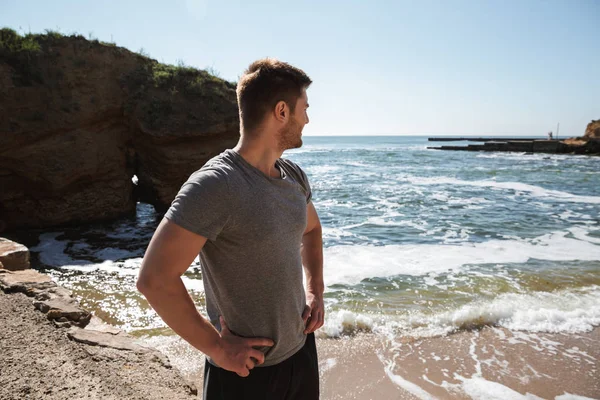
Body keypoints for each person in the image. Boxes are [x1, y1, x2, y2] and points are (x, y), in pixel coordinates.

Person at [136, 58, 324, 400]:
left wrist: (316, 291)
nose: (308, 119)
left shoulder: (293, 176)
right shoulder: (216, 185)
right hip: (245, 375)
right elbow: (154, 279)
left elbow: (312, 231)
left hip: (301, 356)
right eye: (304, 109)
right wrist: (218, 348)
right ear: (282, 111)